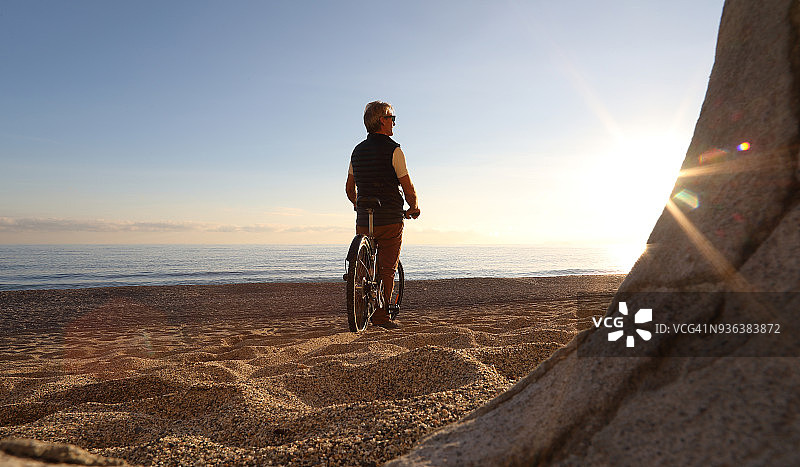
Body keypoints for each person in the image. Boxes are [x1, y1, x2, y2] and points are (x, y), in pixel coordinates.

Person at [345, 100, 420, 329]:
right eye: (392, 118)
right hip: (389, 219)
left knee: (366, 263)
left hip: (364, 220)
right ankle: (381, 317)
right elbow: (407, 187)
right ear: (381, 121)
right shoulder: (394, 149)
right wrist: (414, 206)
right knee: (388, 267)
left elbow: (350, 190)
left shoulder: (356, 151)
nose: (394, 123)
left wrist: (359, 205)